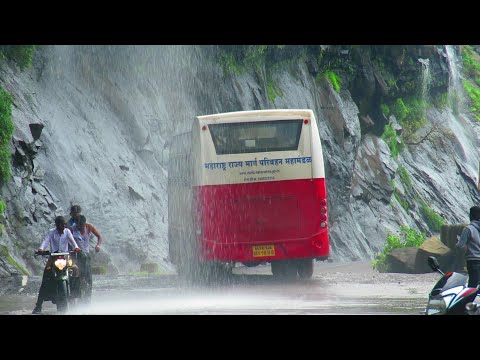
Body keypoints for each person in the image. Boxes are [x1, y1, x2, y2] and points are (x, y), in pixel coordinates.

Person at [32, 215, 81, 314]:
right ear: (56, 225)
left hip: (65, 256)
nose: (61, 227)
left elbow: (73, 241)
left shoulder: (67, 232)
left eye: (62, 225)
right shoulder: (51, 232)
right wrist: (41, 249)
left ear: (64, 225)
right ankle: (38, 306)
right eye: (59, 226)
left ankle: (75, 295)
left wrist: (76, 247)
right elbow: (45, 241)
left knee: (75, 270)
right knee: (45, 276)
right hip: (53, 257)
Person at [71, 215, 103, 302]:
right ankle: (73, 296)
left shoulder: (89, 227)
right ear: (76, 224)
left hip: (86, 255)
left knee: (88, 277)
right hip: (76, 255)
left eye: (82, 225)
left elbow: (99, 237)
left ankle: (87, 298)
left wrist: (98, 245)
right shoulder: (72, 228)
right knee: (75, 275)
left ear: (84, 224)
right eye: (79, 225)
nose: (80, 227)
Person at [456, 205, 480, 288]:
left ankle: (469, 300)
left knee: (472, 285)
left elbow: (460, 246)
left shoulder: (468, 229)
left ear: (472, 215)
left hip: (473, 260)